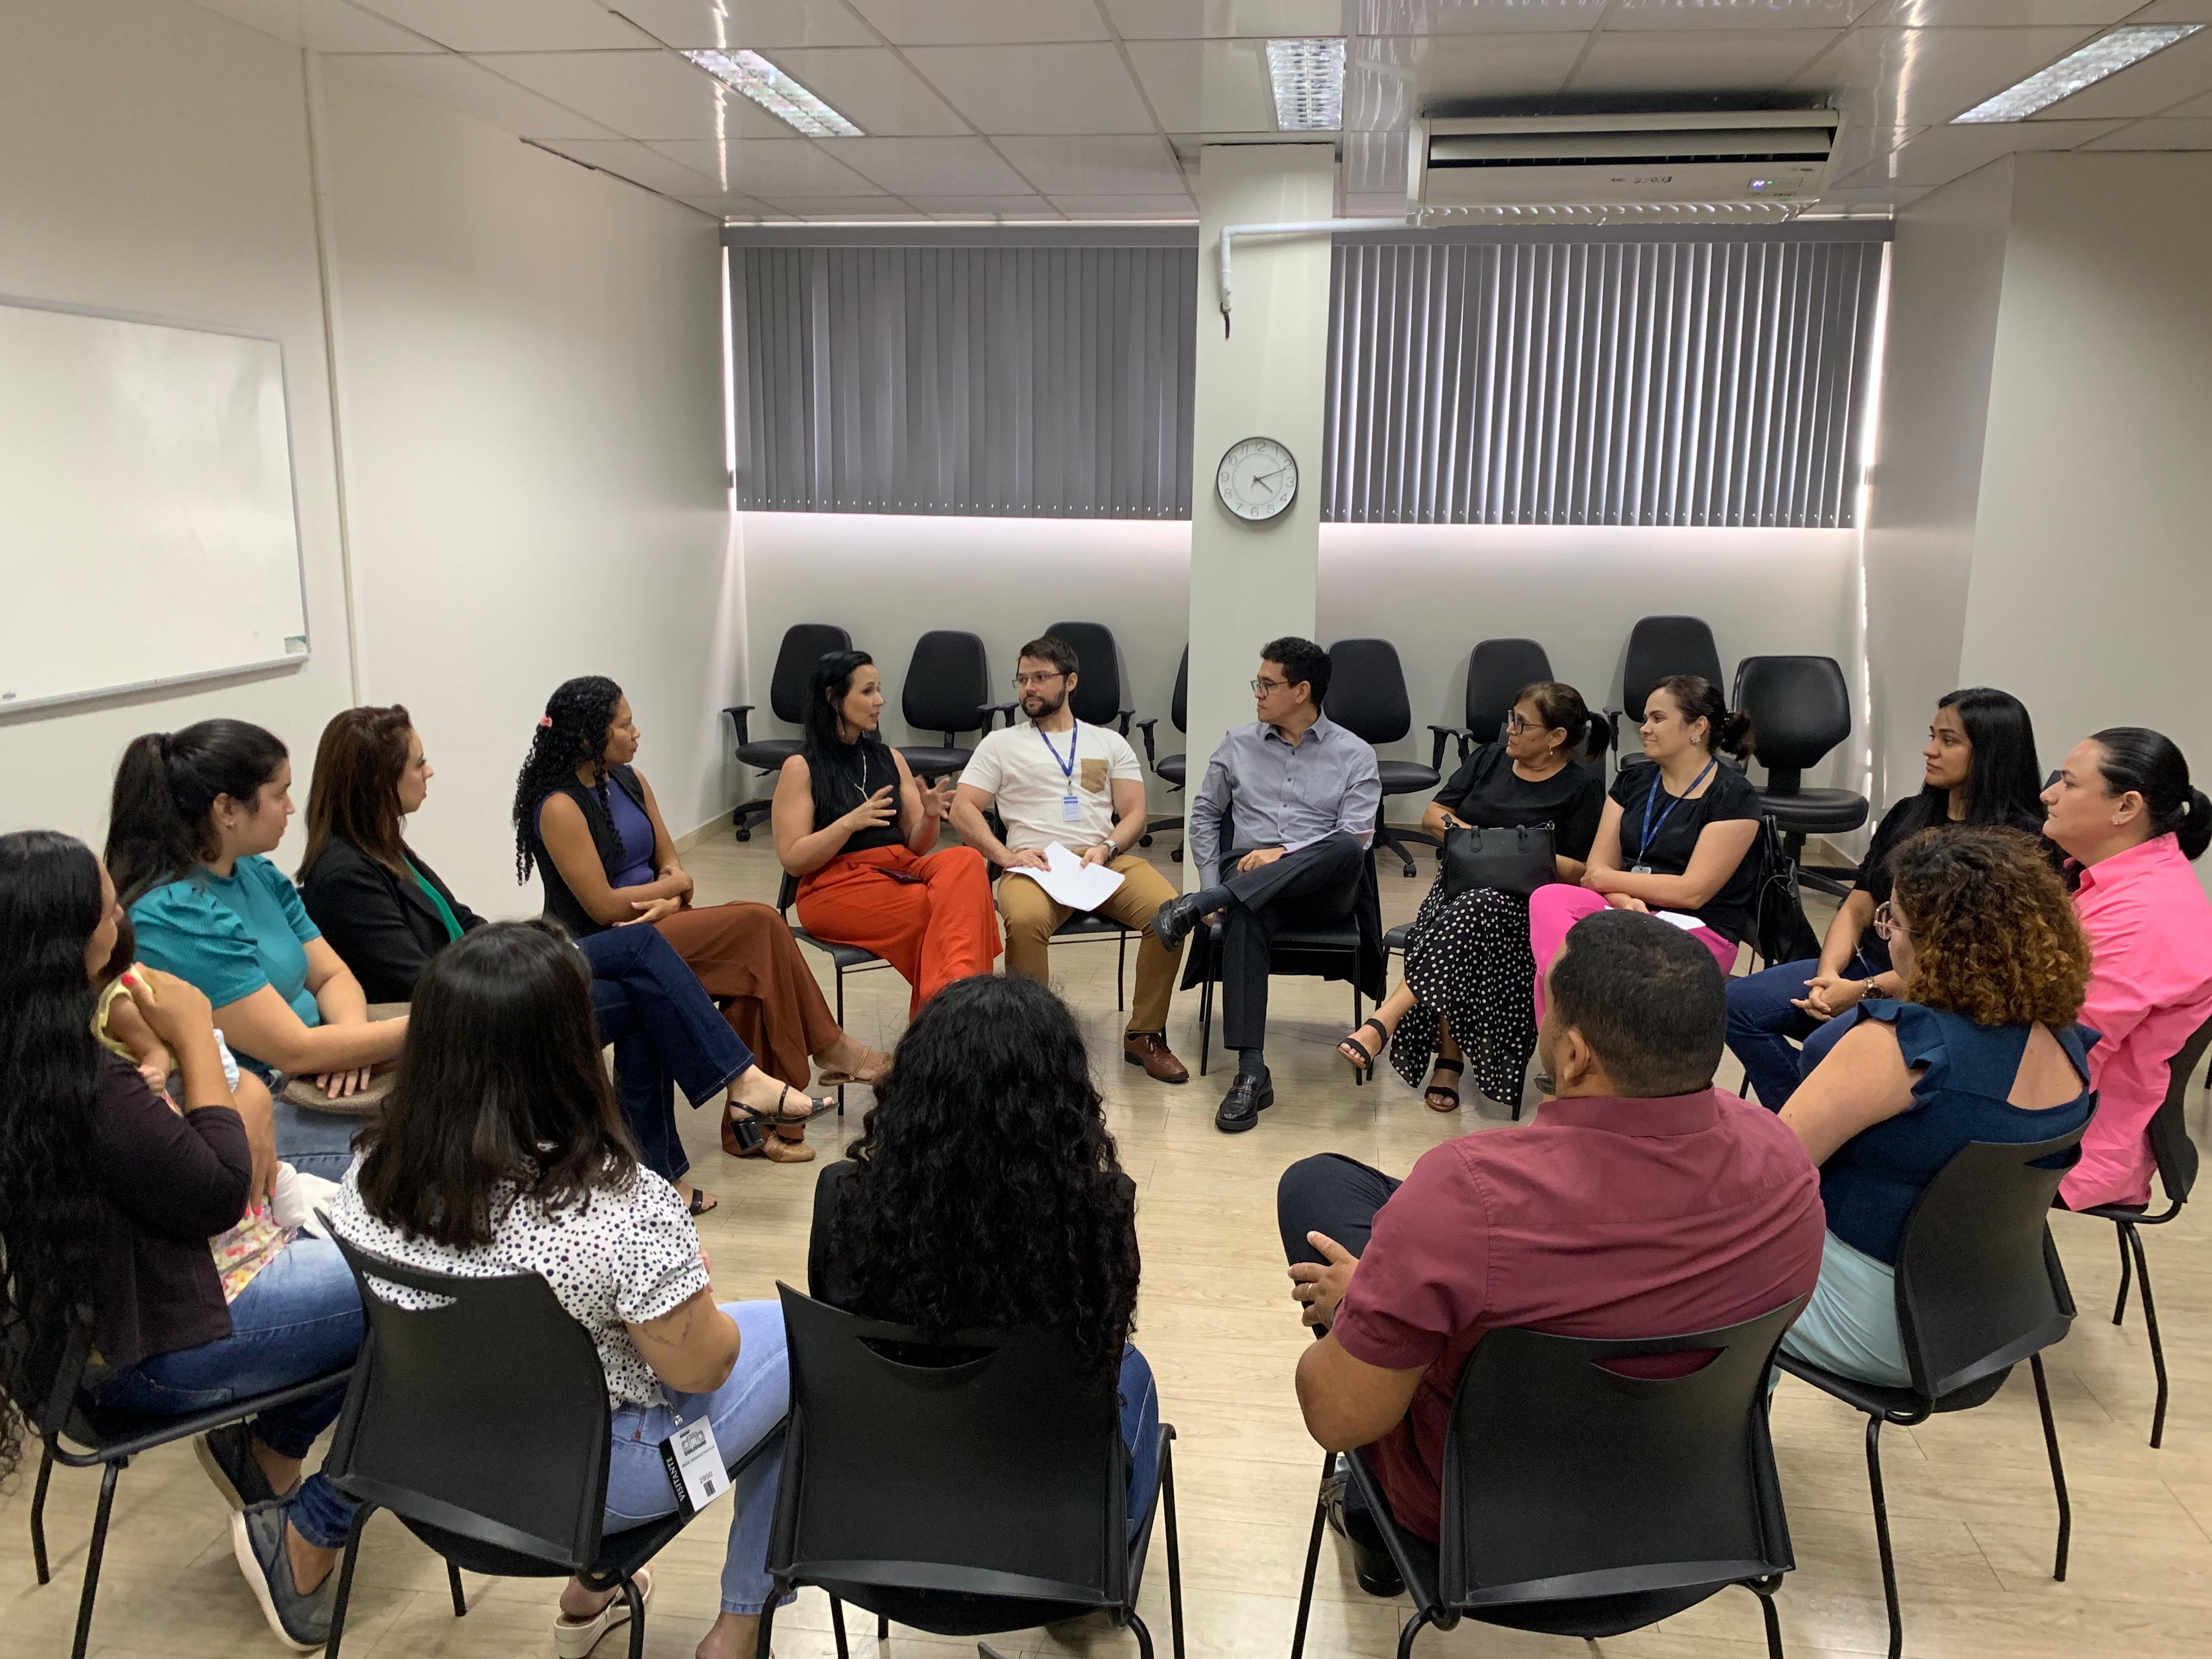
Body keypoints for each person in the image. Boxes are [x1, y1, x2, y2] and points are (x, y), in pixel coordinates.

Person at [1276, 910, 1822, 1587]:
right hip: (1690, 1505)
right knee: (1379, 1212)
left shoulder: (1467, 1191)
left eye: (1546, 993)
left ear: (1574, 1055)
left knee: (1317, 1189)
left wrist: (1365, 1301)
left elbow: (1335, 1416)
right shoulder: (1786, 1164)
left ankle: (1372, 1521)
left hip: (1480, 1525)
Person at [327, 921, 787, 1659]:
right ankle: (734, 1632)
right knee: (799, 1354)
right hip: (587, 1489)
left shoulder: (369, 1176)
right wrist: (690, 1288)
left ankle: (590, 1601)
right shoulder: (622, 1205)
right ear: (569, 1048)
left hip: (420, 1460)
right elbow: (702, 1370)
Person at [0, 831, 366, 1650]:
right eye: (104, 898)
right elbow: (212, 1188)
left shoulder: (39, 1048)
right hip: (160, 1344)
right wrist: (198, 1037)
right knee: (431, 1285)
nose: (117, 908)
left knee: (408, 1258)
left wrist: (227, 1089)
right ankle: (307, 1533)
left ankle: (265, 1450)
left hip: (112, 1327)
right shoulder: (93, 1085)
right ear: (70, 936)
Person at [299, 706, 836, 1214]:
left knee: (641, 991)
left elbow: (463, 922)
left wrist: (522, 944)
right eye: (418, 763)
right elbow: (422, 984)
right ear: (378, 780)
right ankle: (735, 1090)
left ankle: (663, 1167)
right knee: (641, 949)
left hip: (488, 986)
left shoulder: (384, 847)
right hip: (470, 1021)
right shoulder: (344, 873)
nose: (430, 771)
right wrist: (526, 963)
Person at [806, 975, 1158, 1534]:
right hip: (1049, 1546)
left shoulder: (844, 1198)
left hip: (885, 1527)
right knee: (1132, 1370)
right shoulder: (1101, 1210)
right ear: (1064, 1100)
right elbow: (1103, 1354)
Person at [516, 676, 887, 1168]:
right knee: (759, 925)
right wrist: (670, 890)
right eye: (625, 726)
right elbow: (604, 906)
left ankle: (752, 1127)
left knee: (755, 973)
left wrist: (672, 894)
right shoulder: (560, 806)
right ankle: (828, 1050)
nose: (637, 734)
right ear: (588, 738)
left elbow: (676, 867)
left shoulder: (631, 781)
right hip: (606, 945)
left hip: (661, 925)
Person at [1778, 827, 2096, 1385]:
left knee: (1692, 1264)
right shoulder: (2066, 1044)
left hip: (1882, 1323)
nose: (1888, 939)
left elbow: (1766, 1177)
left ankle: (1718, 1454)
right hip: (1992, 1318)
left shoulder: (1905, 1047)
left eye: (1892, 922)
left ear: (1938, 943)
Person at [105, 720, 407, 1178]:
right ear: (227, 808)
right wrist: (437, 1023)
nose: (291, 808)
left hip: (317, 1073)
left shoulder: (255, 872)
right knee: (435, 1150)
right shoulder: (174, 915)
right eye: (278, 794)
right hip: (263, 1105)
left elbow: (331, 976)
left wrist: (351, 1048)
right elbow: (294, 1050)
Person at [1726, 687, 2050, 1110]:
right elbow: (1859, 903)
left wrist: (1862, 991)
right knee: (1736, 1005)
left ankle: (1811, 1130)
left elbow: (1962, 959)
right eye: (1932, 735)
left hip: (1935, 991)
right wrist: (1829, 975)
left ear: (1992, 753)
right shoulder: (1908, 813)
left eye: (1948, 741)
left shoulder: (2021, 842)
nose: (1929, 750)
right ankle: (1800, 1125)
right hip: (1868, 966)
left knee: (1822, 1051)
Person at [1336, 681, 1607, 1114]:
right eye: (1511, 718)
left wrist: (1516, 854)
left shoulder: (1581, 789)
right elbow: (1432, 814)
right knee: (1464, 913)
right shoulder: (1488, 760)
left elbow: (1583, 869)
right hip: (1458, 887)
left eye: (1523, 724)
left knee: (1471, 912)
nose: (1510, 730)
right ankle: (1444, 1057)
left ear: (1556, 738)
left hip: (1525, 906)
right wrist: (1484, 841)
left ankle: (1393, 1025)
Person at [1150, 638, 1384, 1134]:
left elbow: (1359, 838)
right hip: (1249, 880)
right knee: (1247, 909)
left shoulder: (1355, 754)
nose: (1257, 692)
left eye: (1267, 683)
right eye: (1258, 683)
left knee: (1344, 846)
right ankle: (1252, 1071)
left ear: (1302, 692)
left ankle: (1201, 905)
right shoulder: (1238, 743)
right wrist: (1216, 880)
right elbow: (1205, 817)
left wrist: (1284, 854)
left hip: (1324, 889)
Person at [949, 634, 1189, 1084]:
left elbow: (1136, 812)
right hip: (1035, 865)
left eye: (1040, 678)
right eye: (1022, 680)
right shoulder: (1000, 745)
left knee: (1169, 914)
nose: (1029, 689)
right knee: (1022, 922)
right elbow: (963, 808)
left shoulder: (1108, 743)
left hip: (1102, 860)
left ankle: (1145, 1036)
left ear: (1070, 681)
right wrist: (1005, 856)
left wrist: (1109, 847)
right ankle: (1031, 1045)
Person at [2039, 727, 2212, 1211]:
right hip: (2054, 1102)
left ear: (2126, 807)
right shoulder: (2122, 883)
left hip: (2070, 1141)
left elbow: (2066, 1058)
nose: (2047, 794)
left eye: (2069, 784)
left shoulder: (2143, 915)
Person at [772, 650, 1000, 1015]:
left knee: (967, 859)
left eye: (879, 690)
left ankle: (952, 1014)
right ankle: (961, 1016)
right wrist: (848, 823)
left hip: (899, 868)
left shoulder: (889, 757)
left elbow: (916, 845)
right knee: (950, 912)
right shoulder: (801, 767)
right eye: (867, 692)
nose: (879, 701)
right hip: (834, 884)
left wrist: (928, 818)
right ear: (833, 698)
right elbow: (794, 859)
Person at [1526, 674, 1762, 1020]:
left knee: (1598, 968)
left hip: (1698, 927)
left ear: (1697, 727)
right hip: (1624, 910)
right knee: (1547, 897)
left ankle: (1576, 1028)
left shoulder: (1733, 795)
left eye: (1658, 718)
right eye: (1646, 719)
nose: (1645, 729)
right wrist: (1622, 899)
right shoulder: (1632, 780)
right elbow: (1595, 873)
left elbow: (1691, 892)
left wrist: (1616, 883)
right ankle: (1568, 1029)